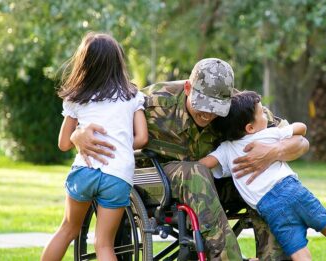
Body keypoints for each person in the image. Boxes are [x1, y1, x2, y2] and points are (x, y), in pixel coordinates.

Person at [70, 58, 309, 260]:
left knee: (269, 187)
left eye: (215, 108)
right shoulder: (154, 103)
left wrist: (272, 152)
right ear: (187, 88)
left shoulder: (240, 108)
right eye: (202, 104)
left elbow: (300, 141)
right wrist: (77, 134)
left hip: (213, 185)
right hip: (155, 181)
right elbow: (104, 119)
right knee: (195, 172)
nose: (207, 113)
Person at [199, 91, 326, 261]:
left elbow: (204, 165)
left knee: (299, 252)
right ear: (250, 127)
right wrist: (287, 131)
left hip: (272, 209)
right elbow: (302, 128)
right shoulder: (268, 134)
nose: (266, 117)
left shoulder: (226, 150)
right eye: (262, 113)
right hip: (294, 190)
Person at [40, 32, 148, 261]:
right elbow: (142, 138)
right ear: (118, 62)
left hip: (84, 173)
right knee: (104, 245)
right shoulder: (132, 95)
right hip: (117, 176)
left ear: (84, 63)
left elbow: (63, 143)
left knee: (68, 229)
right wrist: (119, 144)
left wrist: (79, 139)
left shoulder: (77, 97)